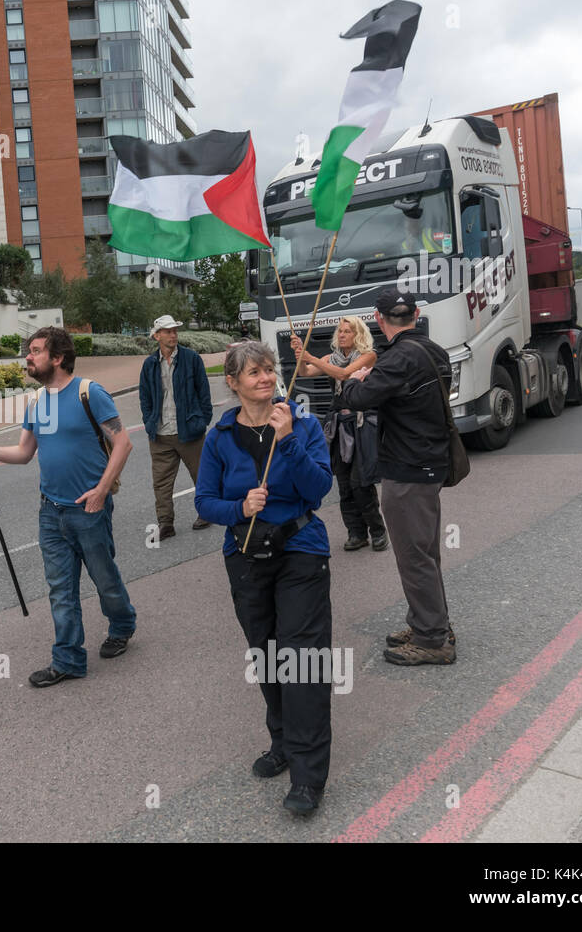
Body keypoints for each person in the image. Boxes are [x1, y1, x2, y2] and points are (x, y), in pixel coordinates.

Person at [195, 340, 334, 815]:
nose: (266, 377)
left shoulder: (302, 422)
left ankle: (307, 776)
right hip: (246, 554)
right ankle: (283, 743)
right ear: (232, 382)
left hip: (300, 551)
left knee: (304, 660)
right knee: (268, 653)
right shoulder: (220, 436)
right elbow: (204, 502)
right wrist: (239, 507)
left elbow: (319, 489)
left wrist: (289, 440)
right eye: (253, 372)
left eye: (270, 369)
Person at [0, 327, 135, 688]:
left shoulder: (91, 393)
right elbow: (25, 453)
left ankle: (122, 624)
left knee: (104, 579)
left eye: (36, 351)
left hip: (89, 509)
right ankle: (69, 659)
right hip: (51, 512)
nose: (28, 356)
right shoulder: (36, 402)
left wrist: (101, 491)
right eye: (29, 351)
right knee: (60, 589)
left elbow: (123, 443)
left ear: (58, 358)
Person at [337, 292, 456, 666]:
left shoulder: (398, 357)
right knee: (426, 552)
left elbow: (356, 398)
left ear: (379, 318)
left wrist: (356, 378)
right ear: (416, 314)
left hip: (407, 469)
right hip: (431, 462)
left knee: (413, 556)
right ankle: (431, 622)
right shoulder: (433, 349)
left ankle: (432, 639)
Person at [290, 316, 388, 552]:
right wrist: (300, 354)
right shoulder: (329, 358)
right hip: (338, 424)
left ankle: (378, 531)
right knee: (344, 483)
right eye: (341, 331)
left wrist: (311, 357)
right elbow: (305, 372)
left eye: (348, 331)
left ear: (358, 335)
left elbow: (344, 375)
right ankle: (356, 533)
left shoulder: (368, 356)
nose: (342, 334)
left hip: (361, 424)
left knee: (360, 482)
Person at [138, 314, 214, 539]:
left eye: (174, 331)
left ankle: (206, 512)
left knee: (201, 475)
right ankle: (165, 523)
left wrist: (202, 420)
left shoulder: (192, 359)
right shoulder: (150, 364)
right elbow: (145, 397)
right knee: (161, 482)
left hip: (189, 431)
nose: (173, 335)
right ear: (157, 336)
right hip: (160, 434)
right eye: (168, 331)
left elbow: (204, 392)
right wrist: (148, 420)